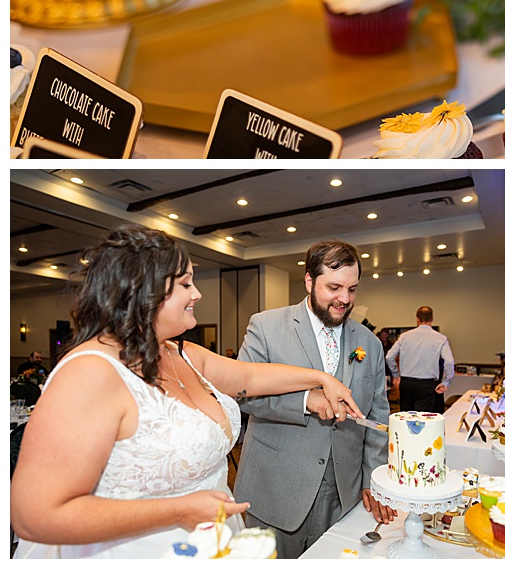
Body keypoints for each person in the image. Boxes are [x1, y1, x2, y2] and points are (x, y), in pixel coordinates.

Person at [11, 227, 363, 559]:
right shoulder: (90, 372)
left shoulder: (183, 353)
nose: (197, 293)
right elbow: (34, 515)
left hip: (208, 542)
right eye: (185, 283)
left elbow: (252, 376)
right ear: (142, 291)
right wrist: (179, 510)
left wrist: (320, 378)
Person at [234, 238, 394, 559]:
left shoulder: (369, 343)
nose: (344, 299)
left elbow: (377, 415)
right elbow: (243, 395)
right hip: (276, 489)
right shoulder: (265, 327)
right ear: (309, 280)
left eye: (352, 289)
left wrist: (372, 478)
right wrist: (306, 400)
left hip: (343, 493)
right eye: (334, 288)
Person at [385, 306, 455, 413]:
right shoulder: (440, 338)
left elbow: (389, 357)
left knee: (406, 417)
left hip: (406, 384)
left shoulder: (404, 337)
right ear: (432, 319)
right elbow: (449, 362)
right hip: (427, 385)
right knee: (423, 419)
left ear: (417, 319)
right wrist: (446, 382)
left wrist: (396, 376)